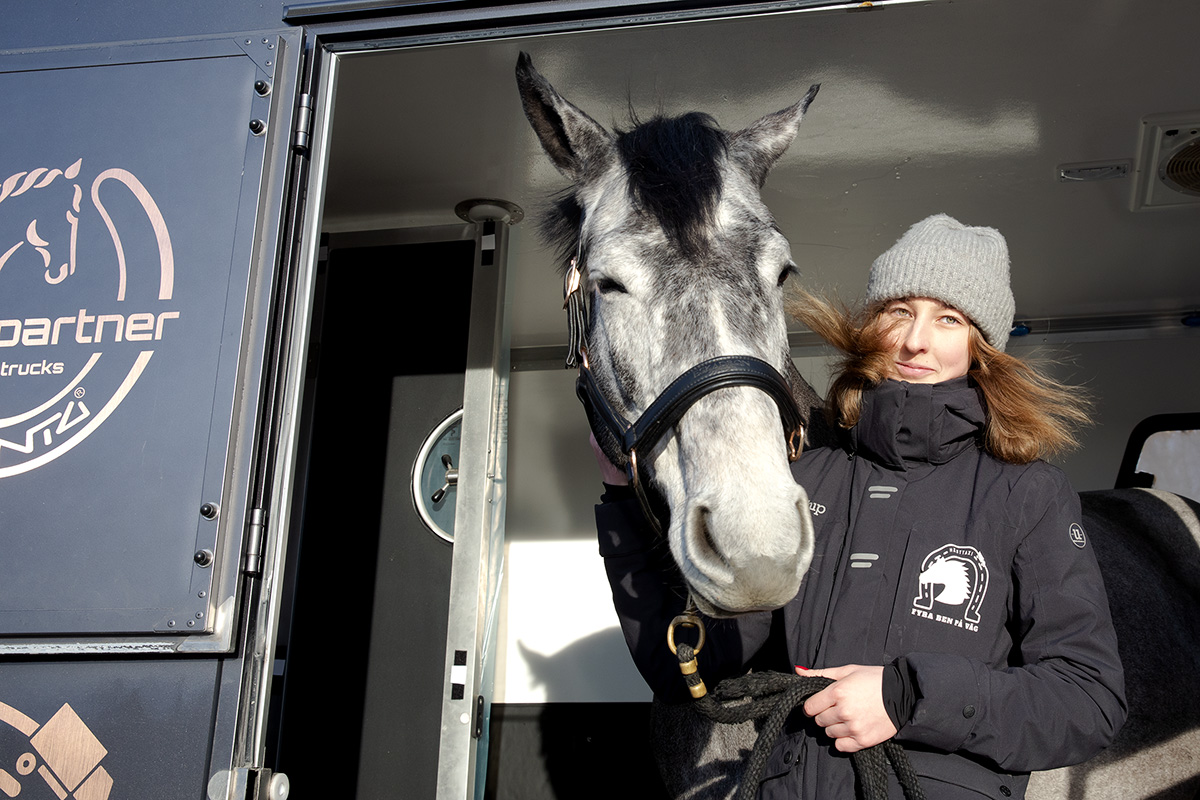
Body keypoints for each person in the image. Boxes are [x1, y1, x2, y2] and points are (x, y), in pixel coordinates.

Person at [592, 214, 1126, 799]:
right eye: (900, 311)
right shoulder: (809, 480)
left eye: (948, 319)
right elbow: (691, 667)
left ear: (980, 349)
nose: (915, 339)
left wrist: (907, 698)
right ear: (873, 324)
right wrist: (621, 494)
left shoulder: (1027, 493)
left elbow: (1088, 699)